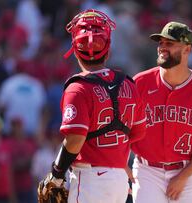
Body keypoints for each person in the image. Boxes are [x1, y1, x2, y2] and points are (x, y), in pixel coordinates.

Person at [38, 9, 146, 203]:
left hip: (90, 179)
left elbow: (75, 139)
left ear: (75, 48)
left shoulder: (78, 87)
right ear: (108, 47)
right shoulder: (128, 83)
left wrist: (57, 171)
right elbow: (137, 133)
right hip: (119, 179)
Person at [132, 21, 192, 203]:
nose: (162, 48)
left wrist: (182, 177)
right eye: (161, 43)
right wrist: (123, 167)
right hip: (147, 170)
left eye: (170, 43)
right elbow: (123, 130)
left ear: (187, 49)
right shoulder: (139, 84)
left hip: (188, 172)